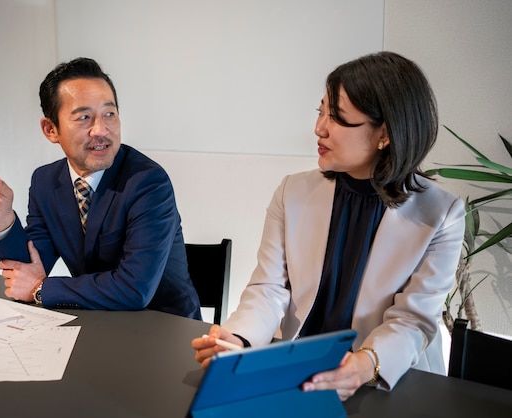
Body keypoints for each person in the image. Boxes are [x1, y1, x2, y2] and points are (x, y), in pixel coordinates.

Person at [192, 51, 465, 400]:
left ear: (385, 133)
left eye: (337, 118)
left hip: (388, 382)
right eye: (321, 111)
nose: (319, 128)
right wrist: (237, 338)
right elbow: (269, 287)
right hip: (301, 372)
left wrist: (365, 365)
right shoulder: (293, 190)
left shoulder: (441, 213)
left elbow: (412, 320)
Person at [0, 57, 201, 319]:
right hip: (95, 324)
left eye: (110, 114)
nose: (101, 130)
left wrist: (41, 289)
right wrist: (2, 219)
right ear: (51, 129)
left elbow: (134, 288)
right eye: (84, 117)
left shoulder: (148, 182)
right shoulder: (46, 181)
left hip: (164, 330)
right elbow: (31, 267)